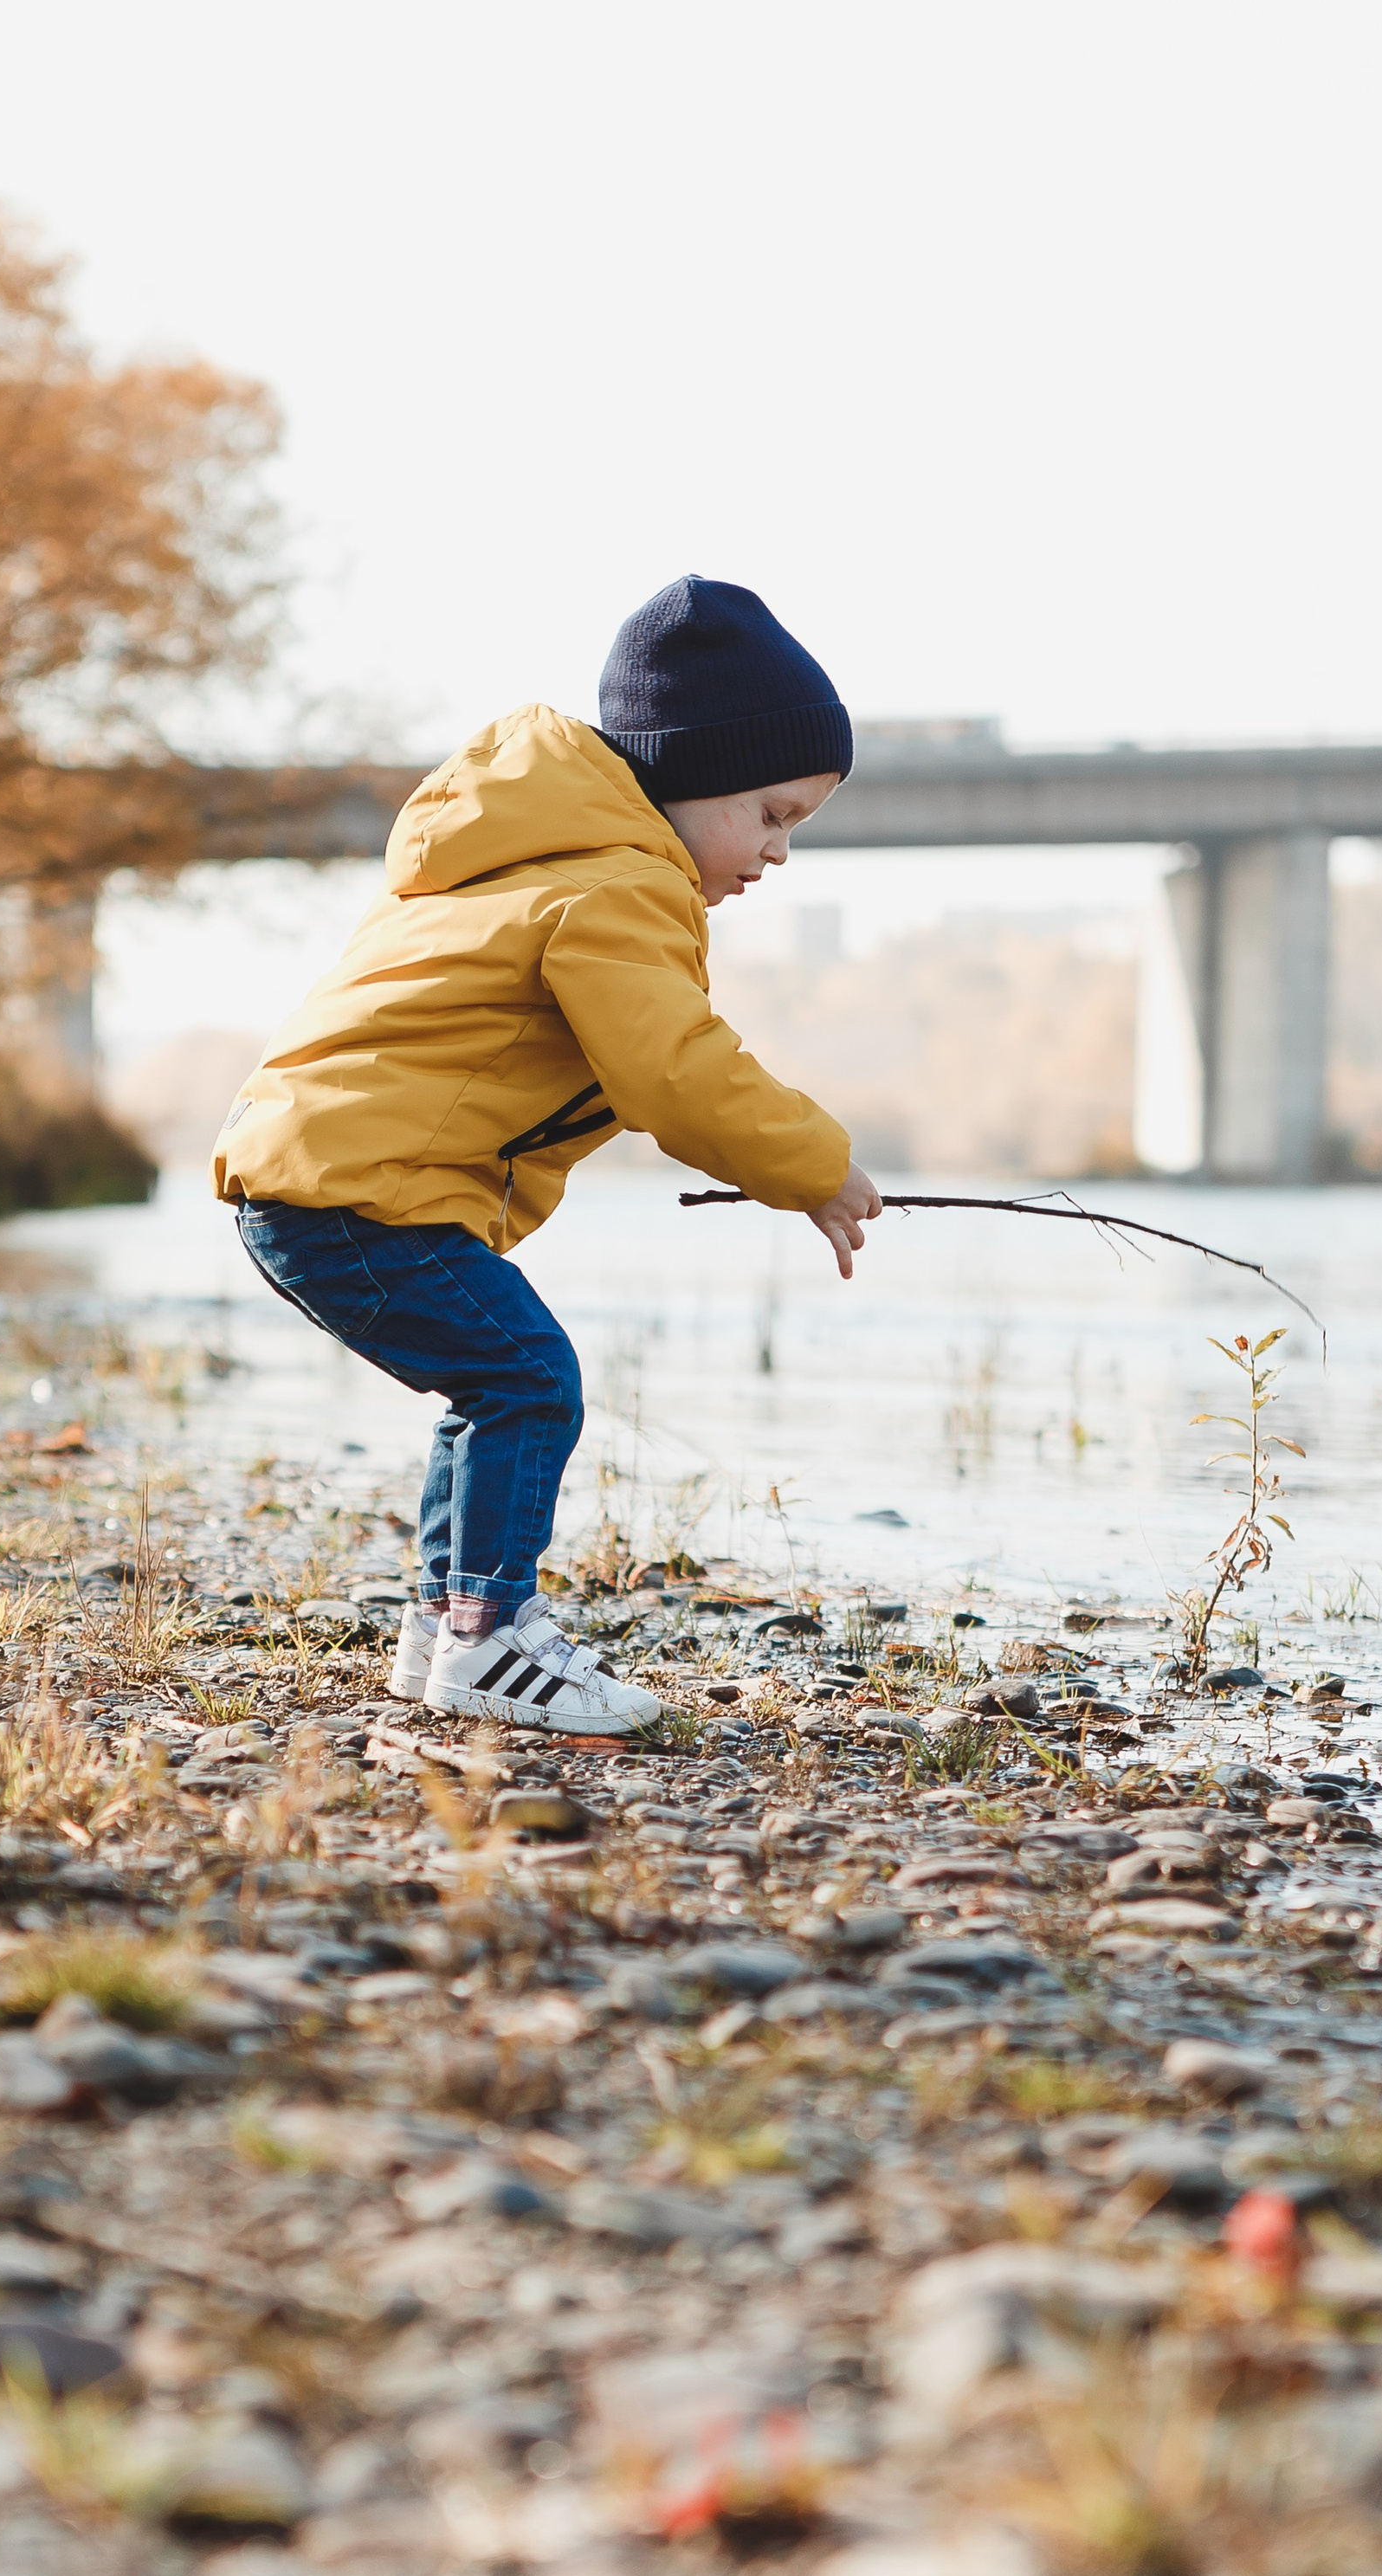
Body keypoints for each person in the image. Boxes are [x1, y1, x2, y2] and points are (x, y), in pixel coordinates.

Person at [212, 572, 883, 1736]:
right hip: (358, 1190)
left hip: (316, 1177)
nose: (779, 853)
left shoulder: (527, 853)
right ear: (689, 769)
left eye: (796, 827)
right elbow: (675, 1070)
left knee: (491, 1381)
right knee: (527, 1376)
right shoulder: (618, 883)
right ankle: (490, 1637)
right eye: (771, 814)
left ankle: (446, 1627)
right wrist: (814, 1162)